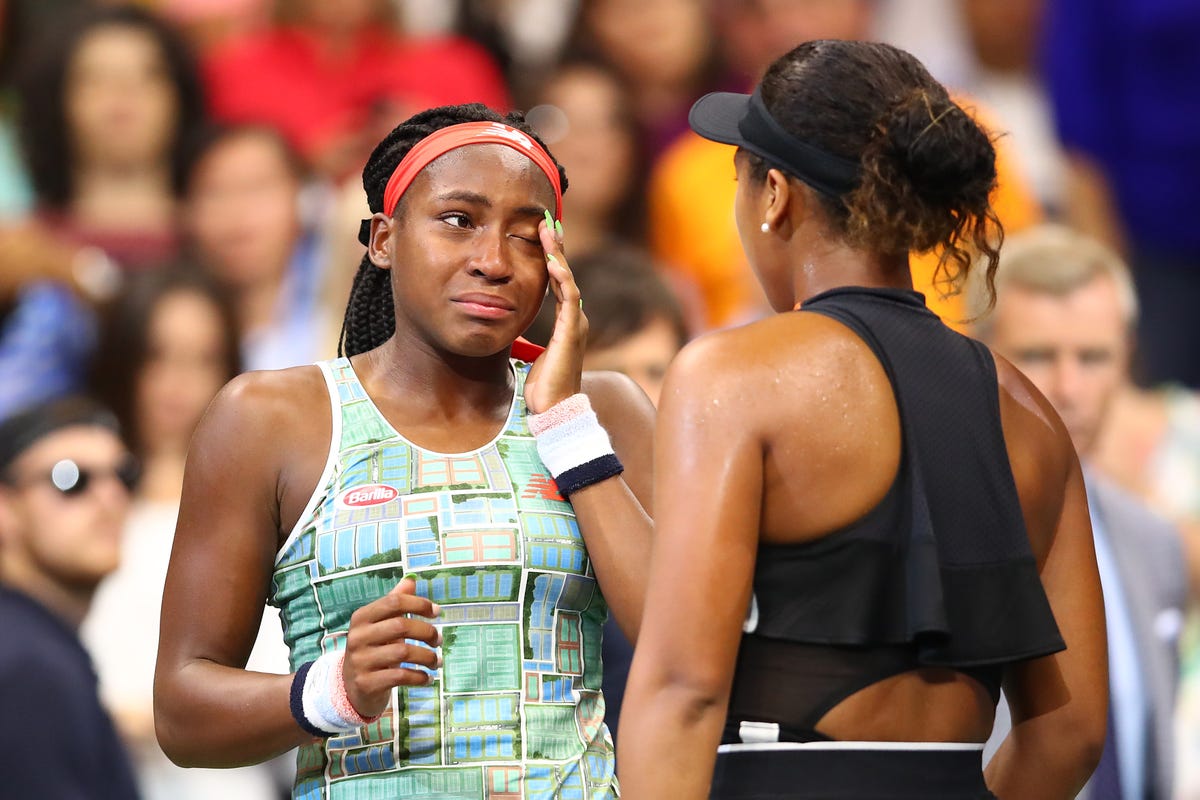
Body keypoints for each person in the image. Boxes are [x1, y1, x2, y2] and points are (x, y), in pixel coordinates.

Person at [617, 39, 1106, 799]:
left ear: (774, 194)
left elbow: (683, 688)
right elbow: (1071, 732)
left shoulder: (733, 376)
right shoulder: (1030, 414)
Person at [154, 103, 654, 799]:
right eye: (459, 221)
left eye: (528, 236)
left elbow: (680, 653)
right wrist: (335, 690)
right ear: (383, 239)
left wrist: (567, 422)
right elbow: (181, 713)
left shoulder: (606, 413)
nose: (494, 261)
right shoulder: (268, 420)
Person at [968, 224, 1189, 800]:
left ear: (1127, 363)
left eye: (1094, 357)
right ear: (977, 358)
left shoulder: (1153, 542)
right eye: (1039, 355)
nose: (1069, 387)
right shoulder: (934, 534)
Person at [81, 267, 291, 799]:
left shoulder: (267, 510)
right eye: (158, 357)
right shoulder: (76, 500)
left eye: (202, 360)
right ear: (123, 362)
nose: (178, 384)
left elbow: (283, 684)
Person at [0, 395, 141, 799]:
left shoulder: (42, 648)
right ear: (5, 508)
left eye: (125, 475)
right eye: (71, 479)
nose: (110, 497)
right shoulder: (27, 669)